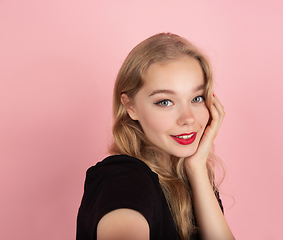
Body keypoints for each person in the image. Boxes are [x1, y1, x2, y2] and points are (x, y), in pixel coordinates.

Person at [76, 32, 234, 240]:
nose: (188, 118)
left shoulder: (193, 177)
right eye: (165, 102)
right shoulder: (125, 180)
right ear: (130, 106)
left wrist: (196, 168)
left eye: (197, 98)